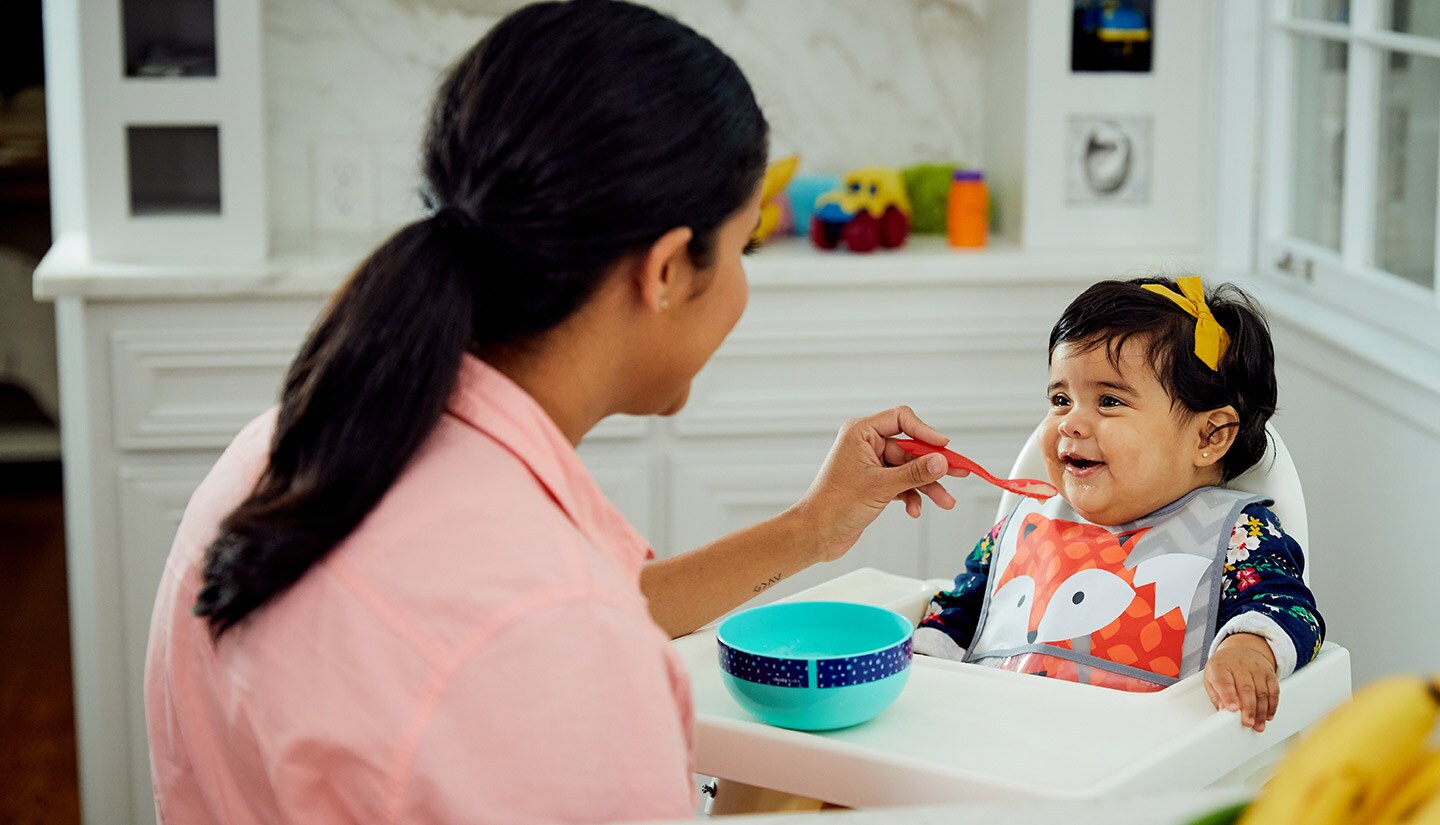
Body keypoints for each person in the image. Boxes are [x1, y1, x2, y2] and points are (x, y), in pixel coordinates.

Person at [144, 2, 962, 823]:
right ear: (667, 271)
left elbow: (564, 608)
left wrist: (812, 528)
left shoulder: (276, 456)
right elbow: (545, 633)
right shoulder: (555, 641)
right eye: (742, 246)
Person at [913, 276, 1324, 733]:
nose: (1070, 423)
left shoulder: (1235, 536)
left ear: (1209, 436)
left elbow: (1287, 608)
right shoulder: (1028, 522)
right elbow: (961, 611)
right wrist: (924, 659)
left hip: (1143, 757)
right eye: (1061, 399)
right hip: (994, 739)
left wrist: (1247, 650)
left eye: (1108, 401)